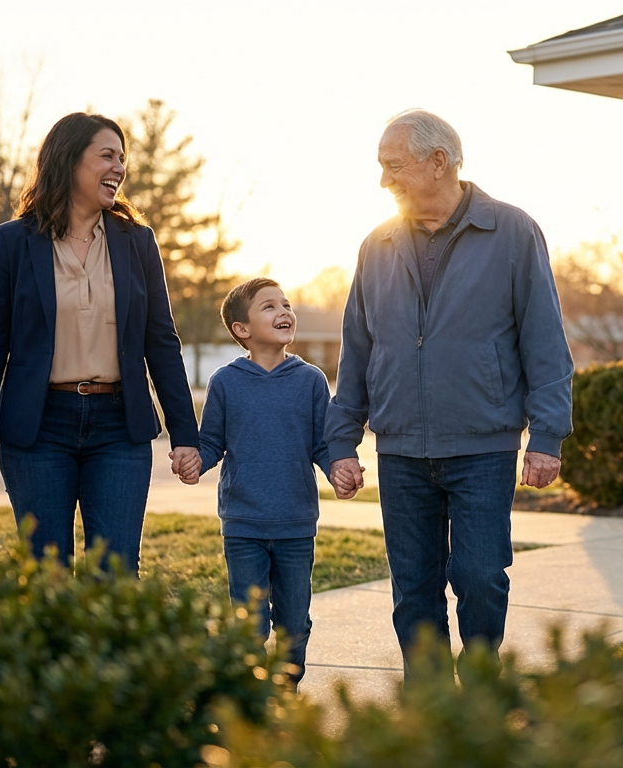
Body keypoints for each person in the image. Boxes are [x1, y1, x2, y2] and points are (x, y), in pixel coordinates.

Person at [326, 109, 574, 672]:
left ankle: (479, 691)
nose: (384, 181)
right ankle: (430, 705)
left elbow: (545, 341)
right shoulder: (376, 244)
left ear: (438, 162)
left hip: (482, 445)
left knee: (481, 577)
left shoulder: (511, 231)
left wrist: (548, 435)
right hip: (401, 448)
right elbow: (358, 349)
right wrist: (341, 441)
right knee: (413, 588)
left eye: (394, 167)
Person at [0, 112, 200, 574]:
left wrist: (185, 435)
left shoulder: (137, 242)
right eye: (107, 156)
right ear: (68, 161)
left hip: (119, 429)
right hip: (38, 429)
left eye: (123, 159)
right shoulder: (12, 242)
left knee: (117, 574)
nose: (119, 168)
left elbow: (162, 343)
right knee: (47, 576)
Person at [181, 277, 345, 688]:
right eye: (269, 306)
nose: (284, 312)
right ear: (242, 330)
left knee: (294, 621)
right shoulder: (225, 382)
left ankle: (287, 689)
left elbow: (322, 445)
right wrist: (193, 463)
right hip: (243, 523)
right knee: (249, 623)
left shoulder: (310, 380)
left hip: (295, 522)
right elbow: (212, 443)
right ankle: (251, 696)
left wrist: (339, 469)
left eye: (286, 305)